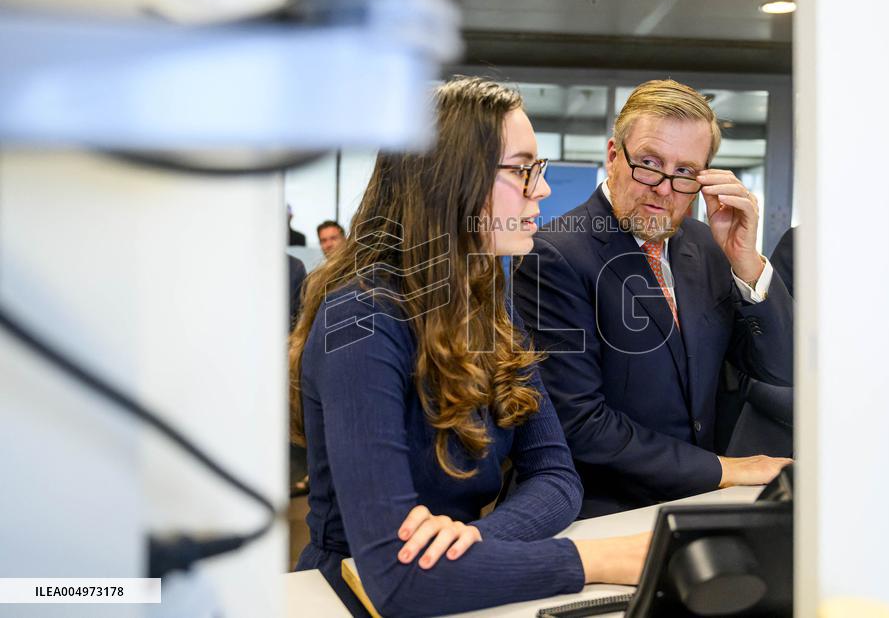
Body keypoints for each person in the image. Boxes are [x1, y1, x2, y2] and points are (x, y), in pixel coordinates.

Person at [289, 77, 649, 617]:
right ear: (451, 180)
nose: (541, 190)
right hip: (343, 597)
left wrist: (473, 541)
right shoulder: (360, 320)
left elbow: (555, 475)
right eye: (522, 170)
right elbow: (395, 580)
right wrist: (595, 559)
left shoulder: (486, 304)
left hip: (463, 586)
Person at [513, 79, 793, 518]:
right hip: (605, 510)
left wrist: (747, 263)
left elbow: (779, 368)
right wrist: (722, 468)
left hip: (696, 504)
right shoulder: (555, 254)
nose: (664, 188)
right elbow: (579, 423)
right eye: (649, 163)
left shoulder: (705, 244)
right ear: (613, 156)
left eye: (685, 172)